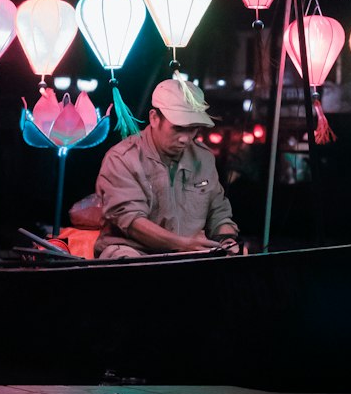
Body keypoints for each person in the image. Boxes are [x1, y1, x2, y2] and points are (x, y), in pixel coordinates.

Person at [94, 79, 242, 259]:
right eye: (178, 128)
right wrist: (184, 245)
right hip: (132, 252)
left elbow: (218, 212)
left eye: (193, 129)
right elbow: (131, 221)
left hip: (191, 254)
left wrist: (227, 240)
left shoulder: (204, 158)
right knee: (126, 261)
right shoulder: (122, 158)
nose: (185, 139)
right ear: (154, 118)